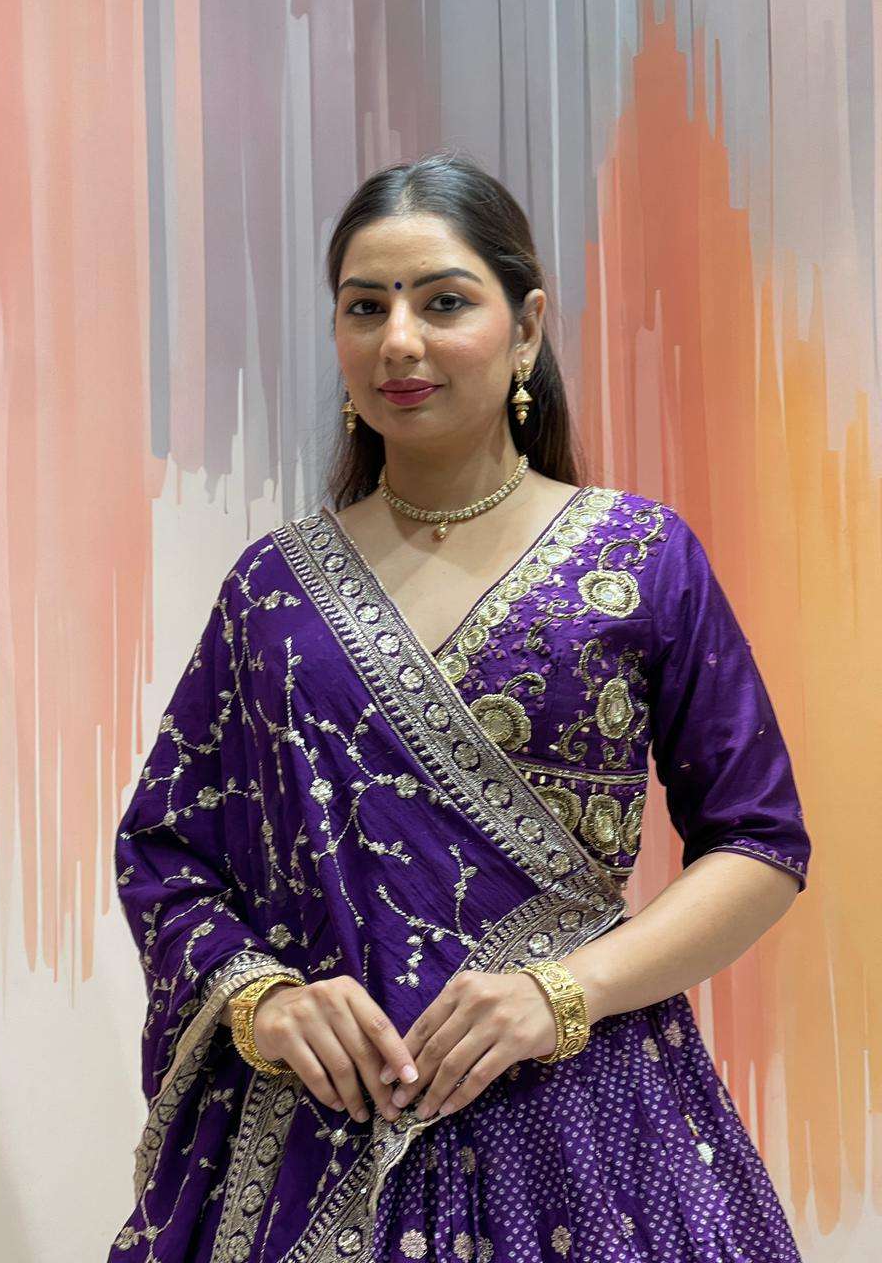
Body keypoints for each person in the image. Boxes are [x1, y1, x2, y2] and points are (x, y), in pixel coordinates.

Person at [108, 152, 810, 1262]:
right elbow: (165, 846)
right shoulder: (272, 592)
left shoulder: (640, 558)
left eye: (443, 302)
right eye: (365, 307)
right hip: (308, 1136)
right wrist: (265, 999)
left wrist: (560, 993)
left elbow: (759, 843)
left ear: (525, 328)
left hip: (579, 1122)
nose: (399, 341)